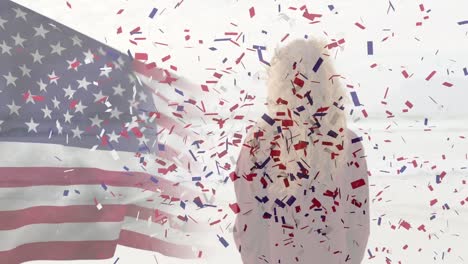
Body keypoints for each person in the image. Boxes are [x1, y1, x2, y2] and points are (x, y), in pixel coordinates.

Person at [232, 38, 370, 264]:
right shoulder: (348, 144)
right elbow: (358, 229)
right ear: (328, 82)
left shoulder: (257, 143)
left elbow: (248, 231)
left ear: (278, 82)